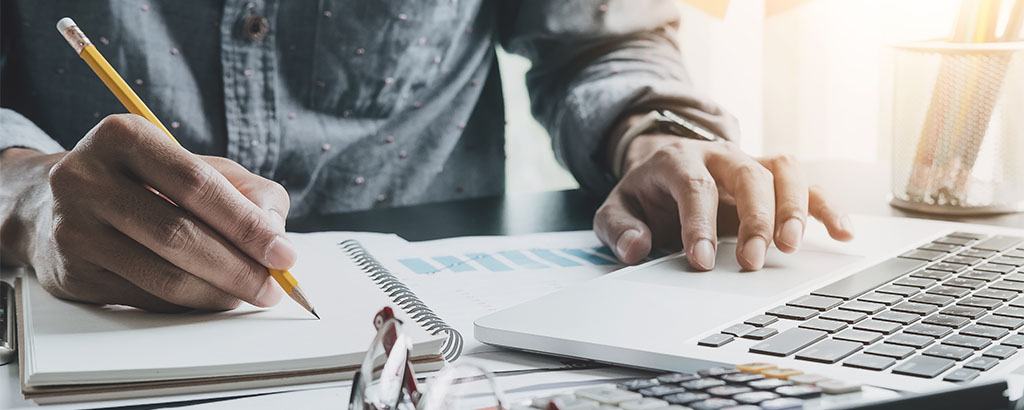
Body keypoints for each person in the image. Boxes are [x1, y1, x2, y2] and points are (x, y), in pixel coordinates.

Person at [0, 1, 853, 313]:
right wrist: (26, 192)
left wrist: (657, 132)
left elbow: (597, 43)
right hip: (73, 307)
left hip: (445, 341)